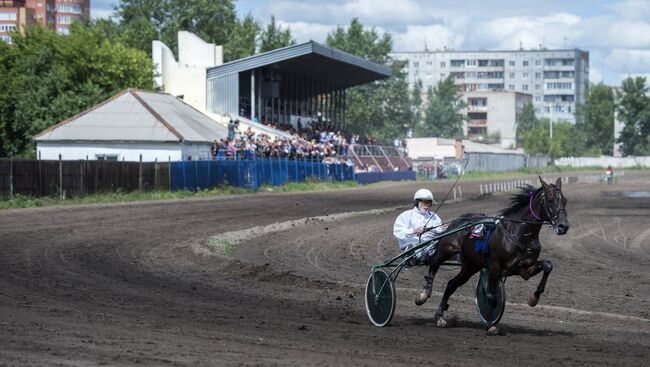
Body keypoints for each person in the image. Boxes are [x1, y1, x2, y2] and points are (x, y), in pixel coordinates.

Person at [393, 189, 448, 266]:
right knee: (417, 249)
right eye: (424, 202)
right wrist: (414, 231)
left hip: (430, 247)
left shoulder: (434, 217)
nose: (427, 205)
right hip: (412, 244)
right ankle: (411, 255)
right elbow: (398, 232)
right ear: (416, 202)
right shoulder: (406, 215)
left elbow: (438, 233)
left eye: (429, 202)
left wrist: (443, 230)